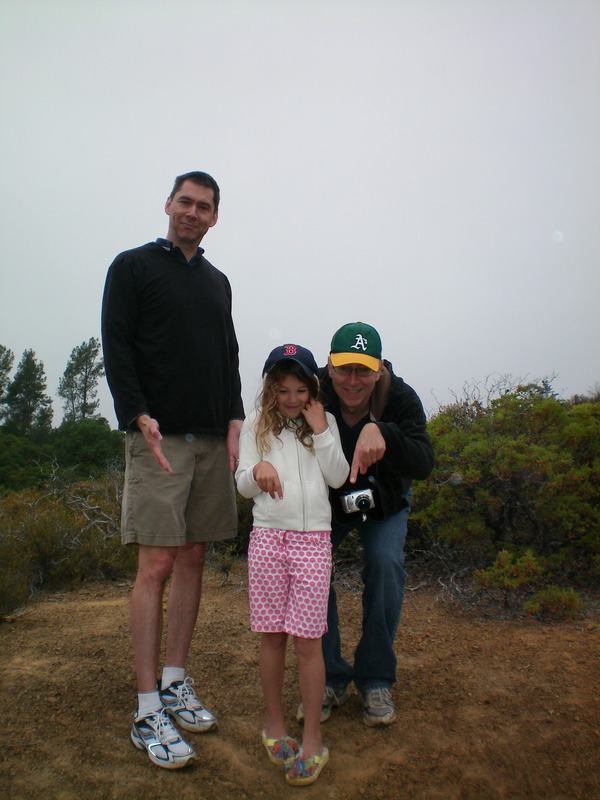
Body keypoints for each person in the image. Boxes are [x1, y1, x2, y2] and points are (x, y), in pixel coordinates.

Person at [101, 171, 244, 769]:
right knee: (156, 563)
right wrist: (136, 413)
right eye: (184, 201)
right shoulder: (132, 267)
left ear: (214, 217)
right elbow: (117, 343)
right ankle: (145, 708)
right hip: (158, 439)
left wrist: (236, 418)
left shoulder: (218, 282)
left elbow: (227, 351)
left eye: (203, 206)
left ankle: (174, 682)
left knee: (192, 556)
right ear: (168, 205)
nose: (191, 212)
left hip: (211, 438)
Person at [298, 321, 434, 728]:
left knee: (385, 565)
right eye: (344, 370)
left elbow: (425, 462)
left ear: (378, 370)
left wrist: (384, 432)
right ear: (329, 366)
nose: (353, 381)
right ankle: (330, 676)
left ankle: (375, 676)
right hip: (329, 504)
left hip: (387, 501)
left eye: (363, 371)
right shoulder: (312, 392)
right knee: (314, 571)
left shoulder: (399, 397)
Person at [235, 344, 349, 786]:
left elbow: (338, 477)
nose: (293, 399)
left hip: (315, 541)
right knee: (272, 637)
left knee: (308, 642)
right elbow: (244, 483)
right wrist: (258, 467)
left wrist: (321, 429)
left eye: (301, 389)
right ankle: (275, 725)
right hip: (267, 539)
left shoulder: (326, 423)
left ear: (313, 389)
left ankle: (313, 738)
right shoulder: (254, 427)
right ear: (270, 389)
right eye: (283, 390)